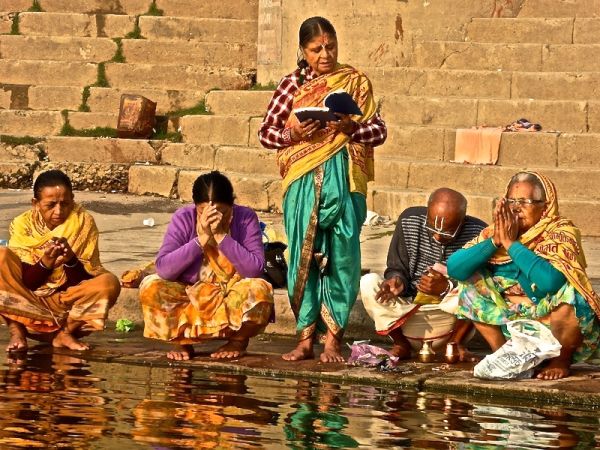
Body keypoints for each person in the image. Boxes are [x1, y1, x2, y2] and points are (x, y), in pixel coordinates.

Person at [258, 16, 387, 362]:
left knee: (343, 258)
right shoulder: (290, 85)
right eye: (317, 49)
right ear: (303, 51)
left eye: (331, 46)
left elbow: (379, 131)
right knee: (303, 256)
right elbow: (266, 133)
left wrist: (351, 128)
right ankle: (304, 339)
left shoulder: (355, 81)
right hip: (302, 179)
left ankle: (332, 340)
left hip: (345, 180)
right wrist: (293, 135)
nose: (325, 54)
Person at [447, 171, 600, 380]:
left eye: (524, 201)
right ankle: (506, 355)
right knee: (469, 283)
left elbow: (551, 283)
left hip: (552, 324)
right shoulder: (494, 233)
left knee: (570, 292)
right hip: (512, 322)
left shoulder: (561, 231)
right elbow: (455, 268)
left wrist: (511, 244)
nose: (515, 208)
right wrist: (495, 242)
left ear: (544, 207)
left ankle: (561, 361)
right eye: (511, 201)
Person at [139, 171, 274, 361]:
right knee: (151, 286)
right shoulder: (184, 217)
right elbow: (164, 269)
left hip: (230, 291)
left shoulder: (245, 217)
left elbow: (255, 269)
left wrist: (220, 236)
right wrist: (201, 239)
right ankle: (181, 342)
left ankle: (237, 341)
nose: (213, 219)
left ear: (232, 206)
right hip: (190, 291)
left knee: (260, 290)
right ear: (196, 208)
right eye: (204, 212)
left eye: (222, 213)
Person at [0, 169, 120, 353]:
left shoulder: (83, 222)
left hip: (65, 306)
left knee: (109, 283)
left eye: (64, 203)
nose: (59, 211)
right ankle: (17, 332)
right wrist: (45, 264)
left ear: (72, 199)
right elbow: (26, 283)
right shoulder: (22, 224)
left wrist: (71, 260)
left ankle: (65, 333)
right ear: (35, 203)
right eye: (51, 205)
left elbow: (83, 281)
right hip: (26, 302)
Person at [360, 188, 487, 360]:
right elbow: (396, 267)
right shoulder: (409, 220)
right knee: (368, 282)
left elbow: (484, 283)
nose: (437, 236)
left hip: (449, 321)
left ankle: (456, 345)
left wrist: (446, 287)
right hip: (407, 317)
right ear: (427, 214)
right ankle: (401, 344)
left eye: (447, 233)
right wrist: (397, 281)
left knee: (481, 287)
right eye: (432, 228)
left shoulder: (479, 233)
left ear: (462, 221)